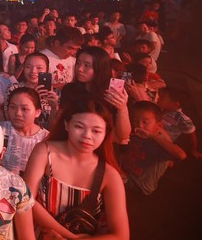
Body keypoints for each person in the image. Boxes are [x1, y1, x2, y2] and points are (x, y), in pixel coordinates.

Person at [23, 99, 129, 239]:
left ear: (105, 134)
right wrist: (71, 237)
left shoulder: (110, 175)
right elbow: (25, 200)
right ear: (66, 124)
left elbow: (121, 235)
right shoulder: (44, 152)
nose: (87, 136)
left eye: (96, 131)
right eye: (79, 127)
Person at [62, 46, 131, 144]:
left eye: (87, 65)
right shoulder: (70, 90)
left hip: (103, 149)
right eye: (78, 63)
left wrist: (122, 108)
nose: (80, 69)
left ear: (100, 68)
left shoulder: (110, 94)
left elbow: (123, 136)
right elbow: (61, 124)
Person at [121, 101, 186, 195]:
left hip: (139, 184)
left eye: (145, 122)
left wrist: (152, 136)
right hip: (127, 172)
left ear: (158, 125)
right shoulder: (135, 135)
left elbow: (181, 155)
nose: (139, 125)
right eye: (135, 121)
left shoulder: (158, 143)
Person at [0, 87, 49, 176]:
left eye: (24, 109)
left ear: (37, 112)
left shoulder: (46, 139)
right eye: (13, 107)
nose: (17, 113)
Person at [156, 87, 201, 158]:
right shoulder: (159, 108)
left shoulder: (182, 119)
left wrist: (193, 150)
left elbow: (191, 135)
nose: (157, 99)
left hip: (164, 142)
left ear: (175, 104)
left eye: (161, 98)